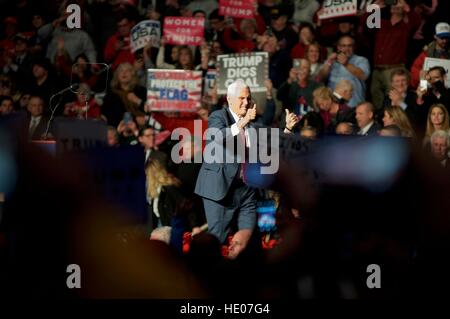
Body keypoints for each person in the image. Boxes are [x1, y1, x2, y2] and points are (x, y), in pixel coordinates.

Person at [194, 79, 258, 259]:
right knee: (217, 238)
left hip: (246, 189)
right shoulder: (218, 116)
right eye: (241, 98)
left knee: (246, 238)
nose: (246, 102)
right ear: (230, 100)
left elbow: (266, 145)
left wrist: (286, 130)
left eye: (248, 98)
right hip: (220, 188)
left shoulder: (251, 122)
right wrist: (243, 122)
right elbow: (217, 136)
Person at [320, 35, 370, 108]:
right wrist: (328, 62)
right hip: (333, 107)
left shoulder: (361, 60)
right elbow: (320, 78)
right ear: (338, 47)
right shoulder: (331, 61)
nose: (347, 49)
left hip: (354, 106)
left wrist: (346, 64)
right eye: (343, 46)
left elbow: (364, 76)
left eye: (350, 46)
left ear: (354, 47)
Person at [410, 22, 450, 89]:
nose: (445, 41)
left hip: (446, 91)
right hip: (428, 90)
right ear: (435, 36)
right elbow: (414, 70)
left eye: (447, 38)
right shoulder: (426, 53)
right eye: (442, 38)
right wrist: (421, 76)